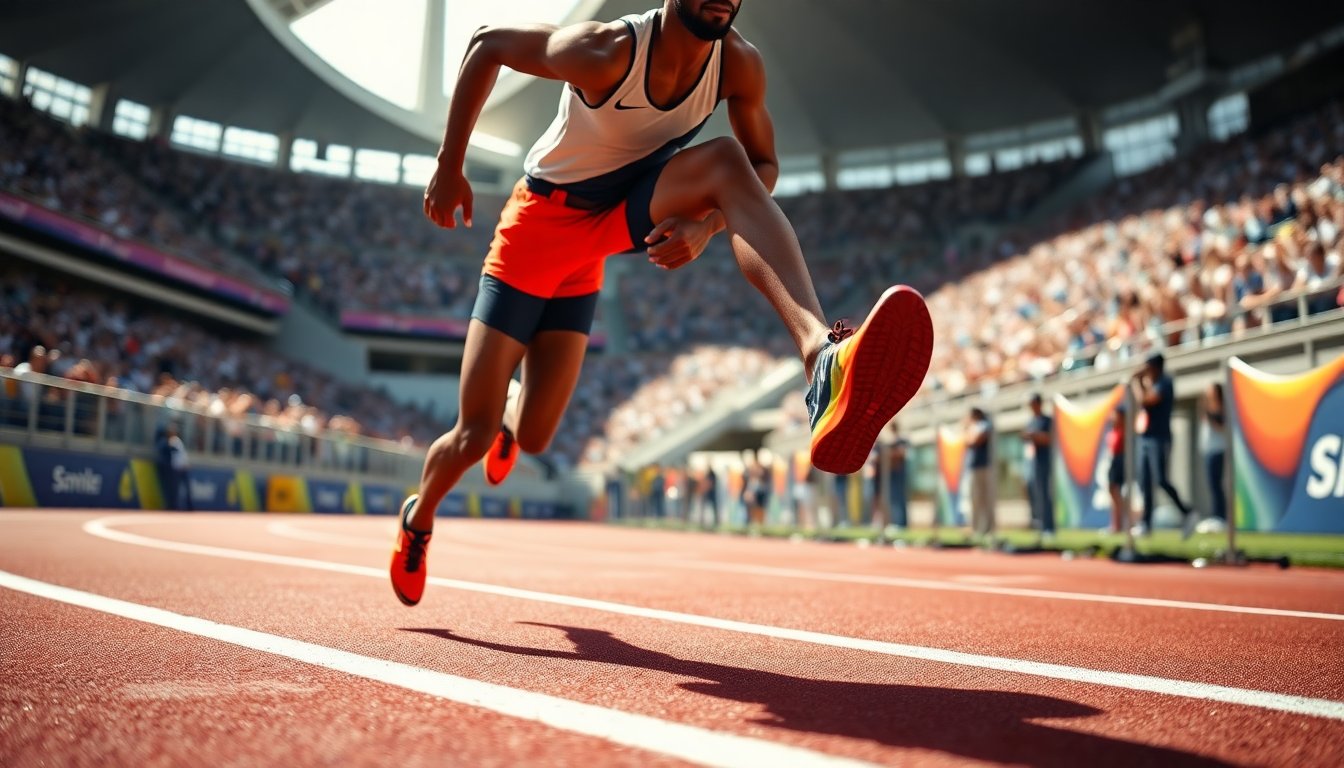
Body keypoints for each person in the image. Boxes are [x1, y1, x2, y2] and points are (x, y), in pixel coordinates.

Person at [391, 0, 935, 605]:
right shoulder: (605, 52)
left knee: (728, 161)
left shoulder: (738, 65)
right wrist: (449, 164)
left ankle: (820, 357)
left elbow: (763, 165)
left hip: (609, 225)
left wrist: (706, 225)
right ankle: (419, 517)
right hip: (537, 231)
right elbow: (487, 42)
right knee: (477, 436)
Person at [1129, 352, 1192, 536]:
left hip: (1159, 438)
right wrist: (1141, 381)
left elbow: (1145, 400)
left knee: (1160, 479)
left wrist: (1136, 382)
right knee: (1144, 481)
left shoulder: (1165, 382)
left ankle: (1187, 511)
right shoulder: (1153, 382)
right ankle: (1146, 523)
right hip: (1145, 437)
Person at [1023, 393, 1055, 538]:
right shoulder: (1031, 421)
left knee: (1044, 494)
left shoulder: (1046, 420)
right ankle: (1038, 524)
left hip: (1043, 461)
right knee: (1034, 493)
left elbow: (1049, 438)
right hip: (1031, 461)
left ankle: (1048, 527)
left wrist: (1034, 436)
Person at [1199, 382, 1228, 532]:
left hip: (1217, 450)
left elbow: (1221, 426)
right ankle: (1216, 515)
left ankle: (1221, 517)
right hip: (1208, 450)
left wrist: (1210, 414)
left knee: (1216, 485)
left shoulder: (1220, 409)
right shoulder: (1208, 409)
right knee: (1212, 485)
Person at [965, 407, 994, 541]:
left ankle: (987, 529)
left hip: (983, 466)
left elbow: (975, 440)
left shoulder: (984, 425)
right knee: (974, 499)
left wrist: (969, 437)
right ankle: (976, 529)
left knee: (985, 499)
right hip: (973, 466)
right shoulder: (972, 427)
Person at [156, 421, 193, 511]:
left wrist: (186, 463)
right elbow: (170, 455)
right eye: (171, 431)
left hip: (182, 468)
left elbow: (182, 455)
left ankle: (189, 507)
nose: (173, 432)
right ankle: (172, 506)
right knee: (173, 489)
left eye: (174, 431)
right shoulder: (166, 442)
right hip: (175, 469)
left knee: (185, 489)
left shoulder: (177, 440)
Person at [1105, 402, 1128, 534]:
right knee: (1113, 491)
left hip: (1120, 460)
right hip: (1114, 460)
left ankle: (1122, 523)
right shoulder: (1114, 429)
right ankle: (1116, 524)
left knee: (1116, 491)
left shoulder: (1124, 430)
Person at [885, 421, 910, 530]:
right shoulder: (893, 442)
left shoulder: (900, 441)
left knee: (898, 499)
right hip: (893, 473)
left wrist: (890, 454)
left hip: (899, 473)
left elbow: (901, 454)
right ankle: (899, 523)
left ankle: (900, 523)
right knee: (895, 499)